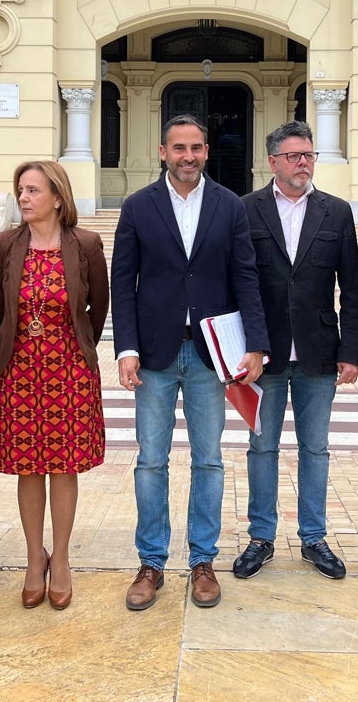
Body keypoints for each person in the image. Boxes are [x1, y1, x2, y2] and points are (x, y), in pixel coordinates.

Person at [113, 114, 269, 611]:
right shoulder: (138, 206)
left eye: (196, 148)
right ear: (163, 151)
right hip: (155, 355)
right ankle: (151, 562)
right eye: (179, 148)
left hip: (210, 355)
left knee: (209, 460)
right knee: (150, 462)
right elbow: (123, 281)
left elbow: (246, 275)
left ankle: (203, 561)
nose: (188, 156)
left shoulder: (229, 205)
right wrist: (127, 348)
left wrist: (256, 344)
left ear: (206, 151)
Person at [234, 121, 358, 581]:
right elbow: (237, 285)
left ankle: (314, 538)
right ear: (273, 162)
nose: (304, 163)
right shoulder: (245, 210)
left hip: (319, 353)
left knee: (316, 449)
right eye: (294, 156)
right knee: (262, 447)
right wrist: (241, 348)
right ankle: (261, 537)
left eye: (308, 155)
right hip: (262, 355)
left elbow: (351, 286)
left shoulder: (336, 212)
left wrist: (351, 350)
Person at [0, 161, 108, 611]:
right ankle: (36, 559)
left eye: (33, 190)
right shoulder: (5, 243)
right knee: (27, 468)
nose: (24, 198)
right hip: (19, 371)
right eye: (20, 190)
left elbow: (98, 308)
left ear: (57, 196)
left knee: (64, 466)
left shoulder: (86, 244)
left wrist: (73, 348)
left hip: (69, 372)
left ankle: (64, 558)